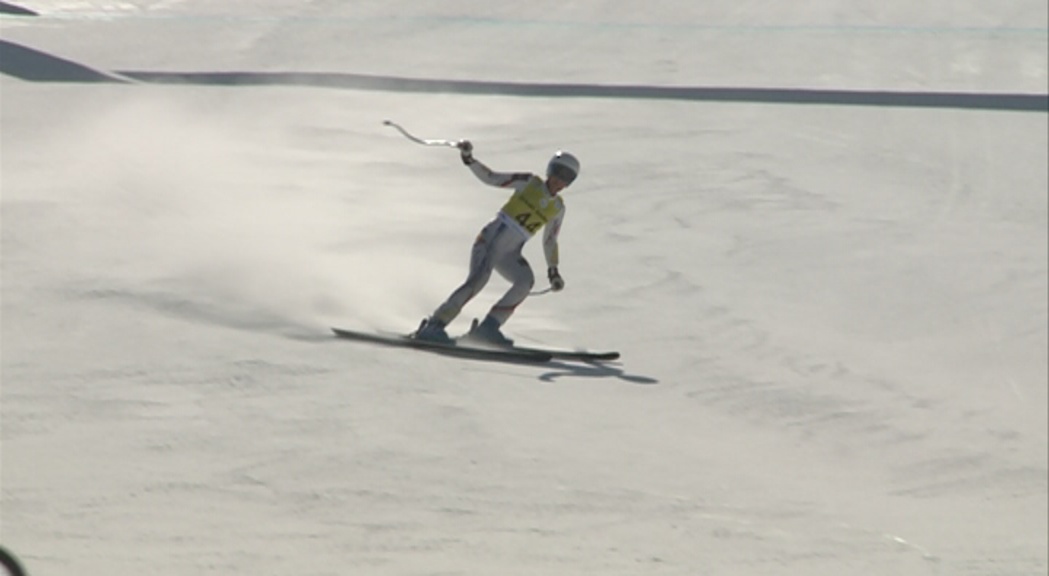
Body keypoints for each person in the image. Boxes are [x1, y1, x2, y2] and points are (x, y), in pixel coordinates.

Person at [413, 140, 580, 346]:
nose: (559, 181)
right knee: (477, 282)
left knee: (525, 282)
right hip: (489, 241)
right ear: (550, 171)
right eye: (558, 173)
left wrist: (553, 270)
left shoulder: (558, 208)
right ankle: (434, 325)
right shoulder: (529, 183)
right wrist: (469, 159)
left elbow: (550, 240)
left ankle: (488, 329)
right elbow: (492, 178)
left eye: (567, 178)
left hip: (509, 254)